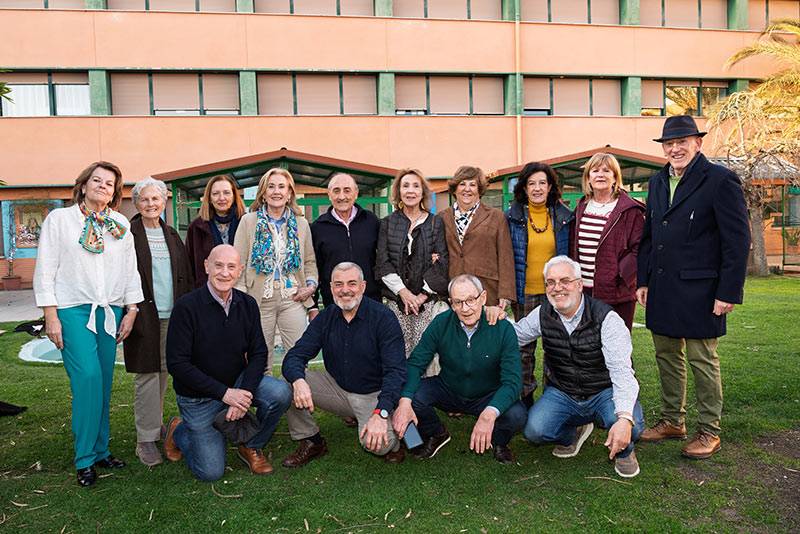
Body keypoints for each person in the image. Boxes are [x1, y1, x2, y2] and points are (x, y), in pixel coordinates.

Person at [636, 115, 750, 459]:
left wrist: (728, 292)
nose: (675, 148)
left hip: (702, 291)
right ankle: (673, 420)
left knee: (703, 359)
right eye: (669, 143)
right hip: (662, 287)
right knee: (666, 356)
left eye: (682, 142)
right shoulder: (656, 182)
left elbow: (738, 239)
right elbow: (649, 236)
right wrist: (643, 281)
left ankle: (709, 431)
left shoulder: (720, 180)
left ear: (697, 143)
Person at [33, 161, 144, 487]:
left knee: (104, 383)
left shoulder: (119, 223)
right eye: (97, 180)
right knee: (88, 379)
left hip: (108, 311)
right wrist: (50, 315)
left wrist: (132, 308)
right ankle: (84, 458)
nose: (102, 186)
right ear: (83, 185)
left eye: (109, 184)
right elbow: (45, 269)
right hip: (71, 309)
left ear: (114, 192)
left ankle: (101, 450)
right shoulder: (60, 220)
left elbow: (130, 269)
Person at [163, 245, 291, 482]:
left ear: (240, 270)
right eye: (218, 265)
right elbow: (177, 365)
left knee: (280, 393)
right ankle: (179, 431)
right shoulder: (187, 307)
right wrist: (225, 394)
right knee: (211, 473)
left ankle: (251, 443)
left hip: (236, 383)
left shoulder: (247, 304)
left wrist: (244, 395)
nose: (224, 273)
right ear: (206, 267)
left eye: (231, 267)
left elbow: (258, 353)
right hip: (199, 399)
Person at [507, 256, 644, 478]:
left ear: (579, 284)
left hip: (603, 391)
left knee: (632, 426)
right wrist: (486, 321)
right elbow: (515, 335)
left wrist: (624, 417)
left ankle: (624, 451)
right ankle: (573, 432)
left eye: (565, 281)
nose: (557, 288)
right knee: (535, 432)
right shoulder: (543, 314)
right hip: (564, 391)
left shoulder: (606, 318)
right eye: (550, 282)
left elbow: (622, 373)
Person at [281, 262, 407, 466]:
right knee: (285, 382)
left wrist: (381, 412)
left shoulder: (383, 318)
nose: (345, 290)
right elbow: (295, 355)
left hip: (373, 394)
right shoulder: (325, 317)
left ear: (363, 286)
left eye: (352, 283)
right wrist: (298, 380)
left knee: (377, 446)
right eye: (338, 284)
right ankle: (313, 441)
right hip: (337, 389)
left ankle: (398, 432)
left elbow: (396, 372)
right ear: (331, 288)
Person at [392, 274, 527, 464]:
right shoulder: (441, 323)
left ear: (483, 298)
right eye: (458, 302)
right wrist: (405, 401)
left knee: (517, 414)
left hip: (487, 394)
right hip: (449, 389)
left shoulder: (502, 328)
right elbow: (415, 363)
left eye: (471, 300)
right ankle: (436, 433)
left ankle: (499, 441)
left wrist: (489, 414)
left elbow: (513, 383)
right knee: (406, 394)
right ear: (451, 303)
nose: (465, 308)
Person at [123, 177, 194, 467]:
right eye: (145, 200)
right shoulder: (128, 234)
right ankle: (145, 439)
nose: (151, 204)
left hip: (172, 314)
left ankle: (156, 425)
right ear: (137, 204)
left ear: (164, 202)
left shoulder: (172, 234)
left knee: (165, 371)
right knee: (147, 375)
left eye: (156, 199)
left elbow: (186, 275)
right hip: (143, 314)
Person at [233, 168, 318, 376]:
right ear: (263, 192)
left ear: (289, 193)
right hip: (258, 300)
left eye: (282, 186)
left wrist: (310, 287)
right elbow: (239, 263)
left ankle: (295, 405)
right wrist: (244, 299)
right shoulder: (248, 221)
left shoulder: (301, 224)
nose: (276, 191)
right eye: (271, 186)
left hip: (293, 298)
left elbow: (309, 261)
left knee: (298, 357)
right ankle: (268, 405)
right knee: (260, 360)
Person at [506, 162, 574, 406]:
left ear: (550, 187)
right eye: (531, 183)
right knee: (523, 350)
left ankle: (552, 400)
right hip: (524, 293)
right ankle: (524, 399)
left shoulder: (564, 217)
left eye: (542, 183)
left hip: (556, 295)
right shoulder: (511, 218)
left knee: (555, 349)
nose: (537, 188)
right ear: (523, 188)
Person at [374, 168, 449, 375]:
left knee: (426, 353)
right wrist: (404, 293)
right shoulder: (388, 223)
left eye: (416, 186)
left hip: (426, 303)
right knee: (398, 351)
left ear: (423, 192)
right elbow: (382, 262)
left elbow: (442, 261)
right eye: (405, 186)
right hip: (397, 301)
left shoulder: (435, 223)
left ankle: (423, 399)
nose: (410, 191)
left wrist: (421, 297)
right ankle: (400, 397)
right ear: (398, 191)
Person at [569, 153, 645, 331]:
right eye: (595, 171)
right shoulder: (581, 208)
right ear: (588, 178)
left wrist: (620, 273)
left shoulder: (629, 210)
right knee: (588, 346)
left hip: (617, 291)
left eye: (606, 171)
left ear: (615, 178)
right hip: (583, 291)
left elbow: (640, 247)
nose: (600, 175)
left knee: (617, 345)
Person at [441, 166, 515, 309]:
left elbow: (506, 257)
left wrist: (506, 294)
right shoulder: (441, 218)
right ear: (455, 188)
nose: (467, 189)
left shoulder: (496, 217)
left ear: (479, 189)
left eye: (472, 184)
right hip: (453, 291)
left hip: (486, 290)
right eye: (462, 184)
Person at [310, 173, 381, 314]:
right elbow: (313, 267)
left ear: (356, 194)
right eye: (336, 191)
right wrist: (312, 307)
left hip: (371, 303)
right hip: (334, 304)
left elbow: (385, 257)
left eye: (347, 190)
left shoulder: (371, 221)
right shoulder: (318, 227)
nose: (342, 196)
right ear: (329, 195)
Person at [185, 175, 246, 288]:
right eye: (216, 193)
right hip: (207, 293)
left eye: (226, 193)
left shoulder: (246, 223)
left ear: (234, 196)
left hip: (241, 291)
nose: (221, 198)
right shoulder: (196, 227)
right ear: (209, 198)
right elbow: (189, 266)